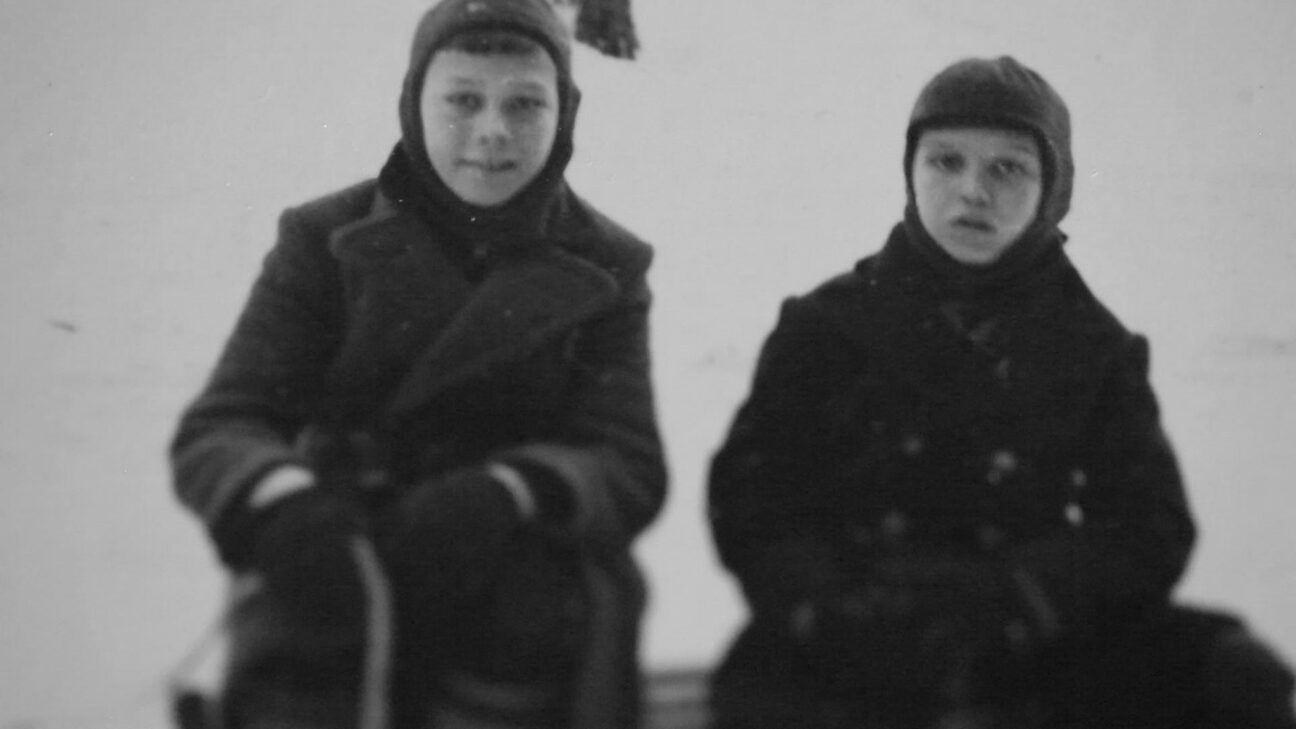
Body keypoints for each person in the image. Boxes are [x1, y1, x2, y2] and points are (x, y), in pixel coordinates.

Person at [705, 55, 1296, 729]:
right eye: (946, 161)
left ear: (1052, 190)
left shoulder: (1093, 346)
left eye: (1007, 169)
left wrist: (1021, 593)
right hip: (854, 634)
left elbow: (1149, 528)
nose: (972, 192)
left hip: (1033, 640)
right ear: (911, 170)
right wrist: (827, 604)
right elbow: (754, 500)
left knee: (1233, 675)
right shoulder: (826, 326)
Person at [169, 1, 666, 727]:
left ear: (566, 112)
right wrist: (283, 504)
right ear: (413, 103)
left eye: (525, 103)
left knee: (521, 645)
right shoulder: (323, 238)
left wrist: (509, 492)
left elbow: (627, 458)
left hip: (519, 582)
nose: (493, 130)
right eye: (463, 99)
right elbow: (224, 423)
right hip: (338, 555)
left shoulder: (607, 263)